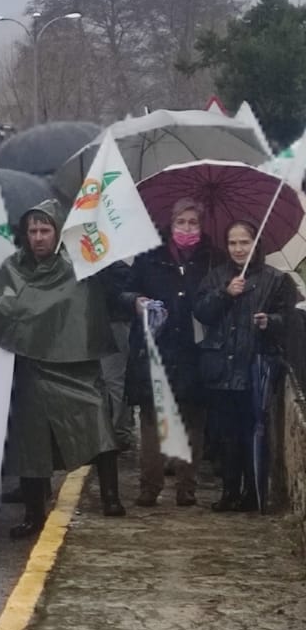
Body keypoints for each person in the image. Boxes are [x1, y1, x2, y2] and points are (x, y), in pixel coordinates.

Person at [0, 201, 124, 538]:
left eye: (45, 230)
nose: (38, 237)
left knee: (98, 423)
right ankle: (34, 513)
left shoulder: (80, 265)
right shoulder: (14, 269)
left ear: (58, 232)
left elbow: (115, 283)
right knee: (30, 440)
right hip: (32, 367)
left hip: (76, 364)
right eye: (32, 231)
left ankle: (111, 497)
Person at [107, 197, 216, 508]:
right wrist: (136, 301)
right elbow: (123, 293)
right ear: (170, 224)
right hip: (154, 350)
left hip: (194, 352)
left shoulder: (211, 260)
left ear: (201, 226)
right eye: (181, 222)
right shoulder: (149, 258)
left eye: (193, 222)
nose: (186, 228)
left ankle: (186, 488)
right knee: (153, 421)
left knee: (192, 421)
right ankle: (149, 487)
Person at [193, 221, 292, 513]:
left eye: (244, 242)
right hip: (221, 369)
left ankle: (254, 492)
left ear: (255, 244)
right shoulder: (216, 276)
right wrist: (225, 294)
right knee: (227, 434)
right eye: (233, 243)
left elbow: (289, 321)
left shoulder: (275, 280)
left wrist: (269, 322)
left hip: (255, 367)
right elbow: (201, 313)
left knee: (254, 432)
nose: (238, 249)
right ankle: (229, 491)